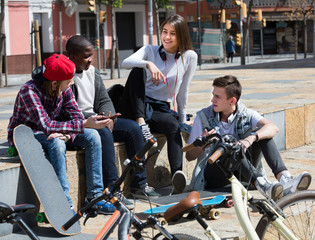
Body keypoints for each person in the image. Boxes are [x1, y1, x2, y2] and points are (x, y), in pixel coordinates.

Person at [7, 54, 111, 213]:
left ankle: (95, 197)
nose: (72, 82)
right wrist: (81, 125)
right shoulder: (29, 91)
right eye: (69, 80)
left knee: (93, 136)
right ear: (54, 83)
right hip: (27, 135)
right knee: (57, 143)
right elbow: (47, 125)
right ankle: (64, 202)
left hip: (53, 131)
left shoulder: (65, 89)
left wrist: (69, 135)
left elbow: (76, 116)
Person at [185, 75, 311, 201]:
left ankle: (285, 179)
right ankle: (263, 185)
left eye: (217, 97)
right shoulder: (202, 117)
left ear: (232, 101)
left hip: (243, 174)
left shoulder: (246, 114)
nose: (212, 100)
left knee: (262, 134)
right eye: (213, 95)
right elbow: (189, 156)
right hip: (216, 176)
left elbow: (273, 127)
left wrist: (251, 138)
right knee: (228, 144)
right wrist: (201, 143)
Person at [65, 35, 160, 202]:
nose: (90, 60)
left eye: (91, 55)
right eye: (86, 56)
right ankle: (112, 189)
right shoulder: (66, 75)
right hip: (81, 123)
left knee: (133, 129)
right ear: (73, 57)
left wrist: (108, 116)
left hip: (99, 119)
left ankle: (140, 185)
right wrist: (96, 119)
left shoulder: (92, 72)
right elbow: (69, 110)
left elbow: (104, 99)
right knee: (104, 133)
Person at [119, 14, 198, 194]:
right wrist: (148, 64)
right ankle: (141, 123)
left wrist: (183, 120)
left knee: (172, 125)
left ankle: (177, 174)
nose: (167, 37)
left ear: (181, 36)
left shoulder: (189, 57)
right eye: (164, 32)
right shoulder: (150, 50)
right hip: (135, 103)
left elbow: (183, 91)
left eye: (173, 33)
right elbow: (125, 62)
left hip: (159, 108)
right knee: (137, 70)